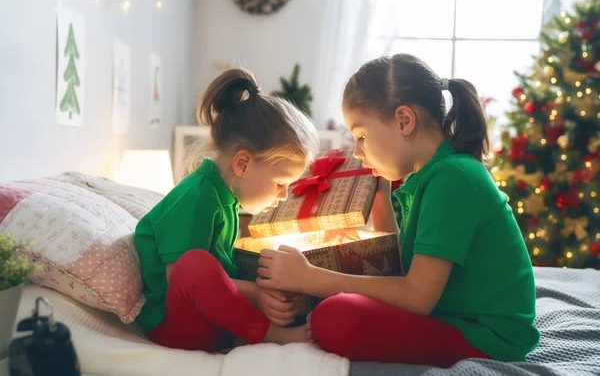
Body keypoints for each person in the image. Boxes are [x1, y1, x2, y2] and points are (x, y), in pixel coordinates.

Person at [257, 54, 539, 367]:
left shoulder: (453, 178)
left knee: (334, 317)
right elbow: (398, 263)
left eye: (361, 136)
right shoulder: (427, 176)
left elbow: (417, 296)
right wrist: (379, 196)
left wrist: (311, 278)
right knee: (338, 303)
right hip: (452, 316)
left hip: (485, 336)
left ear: (404, 120)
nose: (358, 152)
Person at [134, 67, 319, 352]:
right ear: (242, 163)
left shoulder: (225, 197)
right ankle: (269, 334)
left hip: (214, 317)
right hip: (175, 327)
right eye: (281, 182)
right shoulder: (197, 197)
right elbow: (182, 278)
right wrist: (255, 294)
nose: (284, 195)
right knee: (195, 265)